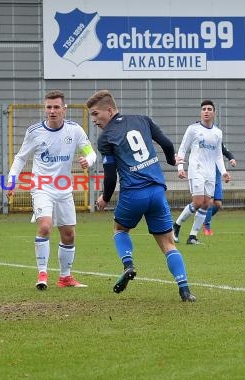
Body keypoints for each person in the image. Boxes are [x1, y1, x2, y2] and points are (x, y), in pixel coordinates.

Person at [86, 89, 196, 302]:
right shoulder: (142, 120)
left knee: (119, 229)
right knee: (167, 243)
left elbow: (110, 176)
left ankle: (128, 265)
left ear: (109, 110)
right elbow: (166, 144)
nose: (93, 120)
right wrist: (173, 163)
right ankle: (184, 290)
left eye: (95, 114)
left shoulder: (106, 138)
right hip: (156, 191)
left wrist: (105, 197)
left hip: (133, 194)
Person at [6, 90, 96, 290]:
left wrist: (87, 160)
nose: (52, 111)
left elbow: (90, 152)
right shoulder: (35, 131)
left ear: (64, 109)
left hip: (64, 189)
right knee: (45, 226)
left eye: (56, 107)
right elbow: (21, 157)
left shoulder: (75, 130)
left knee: (69, 234)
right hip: (41, 187)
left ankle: (65, 278)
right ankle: (42, 273)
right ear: (45, 108)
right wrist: (11, 180)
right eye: (49, 107)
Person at [173, 100, 230, 245]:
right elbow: (182, 149)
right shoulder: (193, 129)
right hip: (196, 169)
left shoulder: (218, 133)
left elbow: (218, 155)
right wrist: (180, 168)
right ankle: (176, 225)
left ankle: (192, 236)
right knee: (198, 202)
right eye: (203, 109)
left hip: (210, 172)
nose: (206, 111)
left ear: (214, 112)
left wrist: (223, 172)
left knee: (207, 203)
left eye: (209, 109)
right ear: (201, 112)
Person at [203, 143, 236, 235]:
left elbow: (226, 151)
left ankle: (203, 218)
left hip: (217, 175)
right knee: (210, 202)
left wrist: (231, 159)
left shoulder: (217, 140)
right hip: (208, 174)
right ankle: (207, 227)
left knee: (218, 204)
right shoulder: (202, 141)